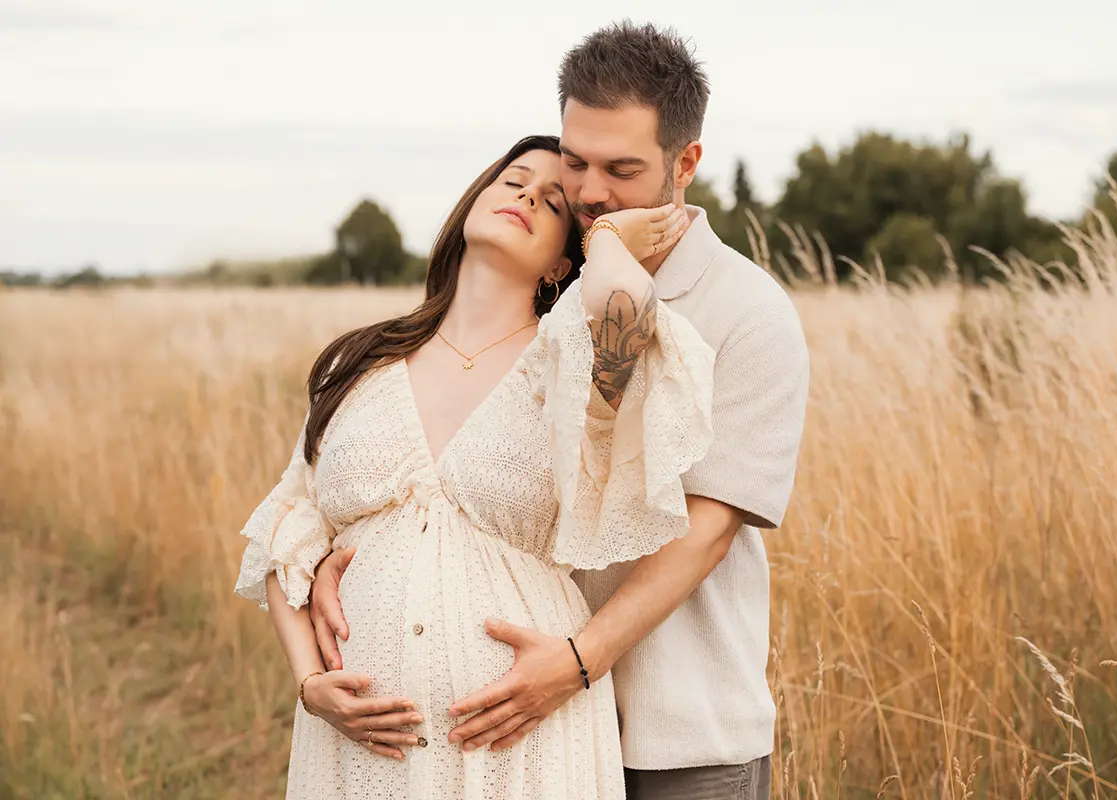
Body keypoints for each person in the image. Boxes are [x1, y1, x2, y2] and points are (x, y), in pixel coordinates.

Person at [310, 21, 810, 800]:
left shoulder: (748, 312)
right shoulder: (556, 300)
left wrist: (575, 664)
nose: (591, 191)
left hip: (678, 730)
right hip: (537, 731)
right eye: (577, 161)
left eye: (622, 168)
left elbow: (707, 533)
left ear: (687, 163)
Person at [233, 133, 717, 799]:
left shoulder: (566, 363)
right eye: (513, 180)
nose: (525, 196)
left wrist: (604, 241)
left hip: (523, 746)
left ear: (560, 263)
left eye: (553, 203)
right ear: (472, 204)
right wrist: (310, 685)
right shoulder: (362, 364)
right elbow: (287, 532)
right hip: (358, 747)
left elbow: (625, 310)